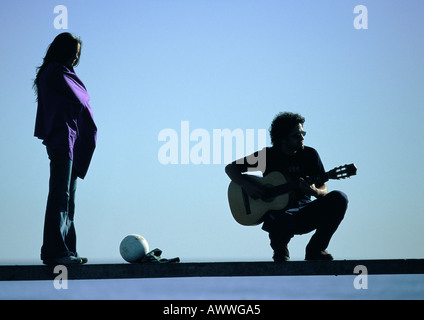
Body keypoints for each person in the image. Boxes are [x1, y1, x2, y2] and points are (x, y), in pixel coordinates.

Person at [225, 112, 348, 262]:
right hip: (279, 217)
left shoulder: (310, 155)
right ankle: (280, 250)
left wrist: (314, 191)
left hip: (305, 213)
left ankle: (315, 250)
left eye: (303, 133)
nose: (302, 137)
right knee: (278, 217)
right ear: (282, 138)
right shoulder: (267, 156)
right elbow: (231, 168)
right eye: (296, 135)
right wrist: (248, 186)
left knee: (340, 198)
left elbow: (324, 189)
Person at [33, 33, 97, 265]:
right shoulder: (54, 73)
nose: (74, 59)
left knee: (68, 199)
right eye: (72, 53)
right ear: (62, 52)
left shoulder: (61, 73)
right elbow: (80, 99)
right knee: (60, 196)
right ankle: (54, 252)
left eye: (77, 55)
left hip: (71, 143)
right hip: (61, 141)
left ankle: (67, 249)